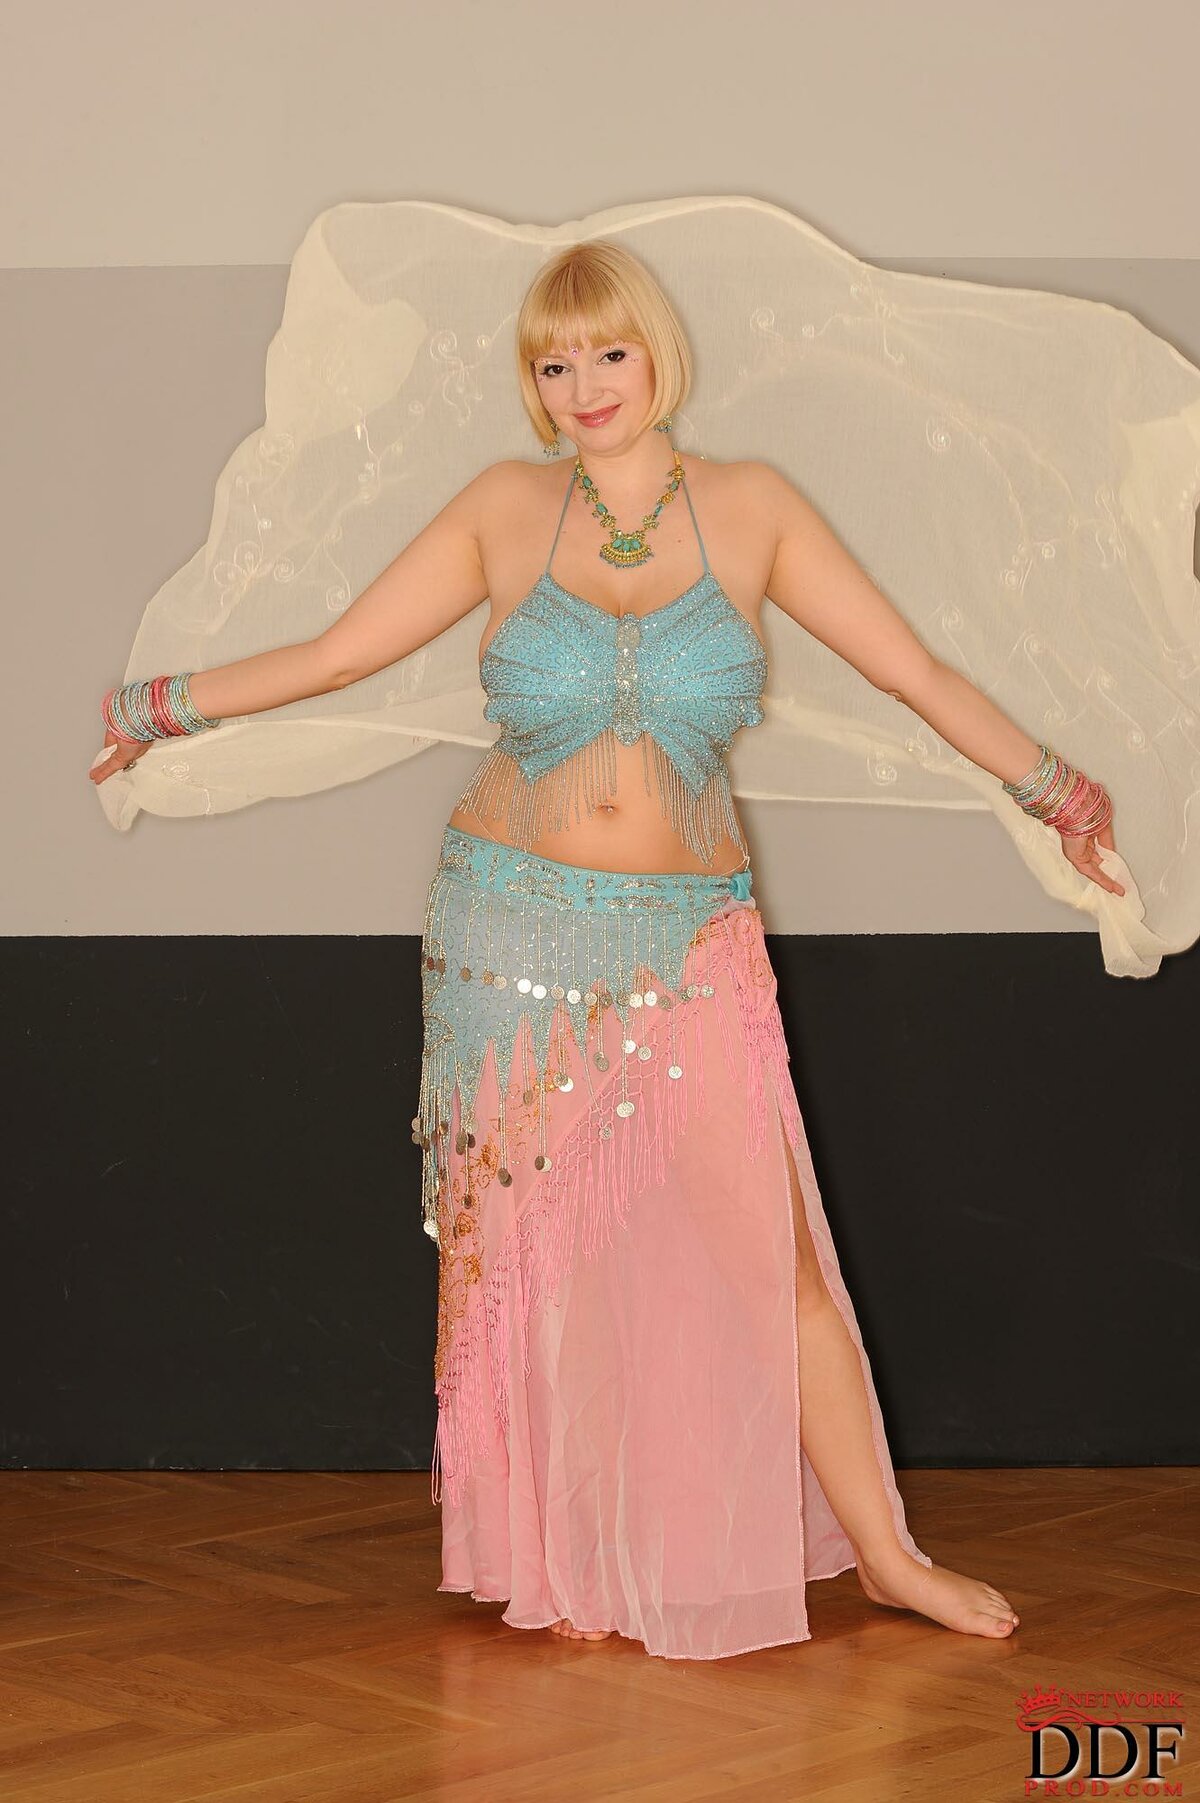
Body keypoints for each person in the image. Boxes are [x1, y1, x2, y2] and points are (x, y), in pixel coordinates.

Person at [91, 240, 1124, 1660]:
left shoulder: (753, 508)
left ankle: (890, 1558)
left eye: (608, 352)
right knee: (515, 1259)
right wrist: (157, 708)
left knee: (775, 1255)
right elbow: (337, 653)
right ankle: (549, 1554)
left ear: (659, 354)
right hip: (504, 933)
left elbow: (916, 672)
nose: (583, 385)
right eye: (553, 361)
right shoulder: (502, 509)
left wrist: (1056, 791)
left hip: (689, 939)